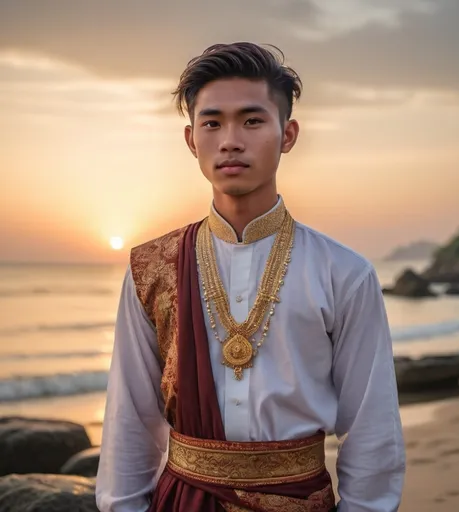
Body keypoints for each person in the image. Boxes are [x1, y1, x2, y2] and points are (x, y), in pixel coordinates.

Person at [96, 42, 405, 512]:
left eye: (253, 120)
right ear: (190, 138)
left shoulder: (344, 273)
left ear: (288, 134)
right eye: (212, 122)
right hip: (184, 501)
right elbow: (131, 415)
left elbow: (370, 421)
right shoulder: (151, 267)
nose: (230, 140)